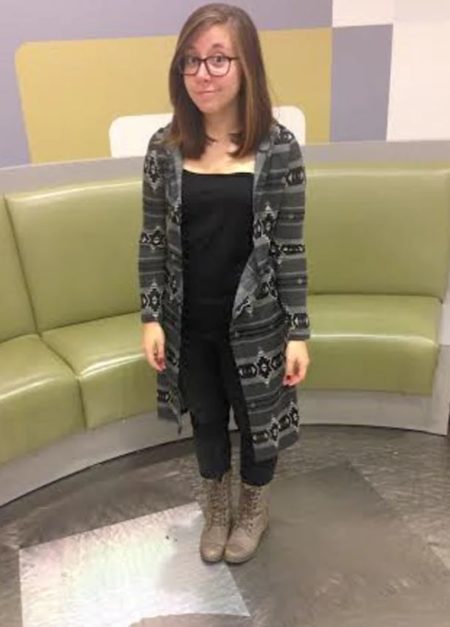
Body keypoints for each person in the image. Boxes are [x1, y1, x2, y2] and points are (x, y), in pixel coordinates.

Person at [138, 2, 310, 565]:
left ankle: (253, 506)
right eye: (190, 61)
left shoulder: (279, 149)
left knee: (260, 422)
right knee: (207, 419)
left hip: (258, 325)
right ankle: (216, 507)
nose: (202, 74)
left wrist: (298, 332)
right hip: (189, 323)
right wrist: (151, 317)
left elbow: (289, 246)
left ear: (246, 66)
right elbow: (152, 240)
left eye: (218, 59)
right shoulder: (165, 148)